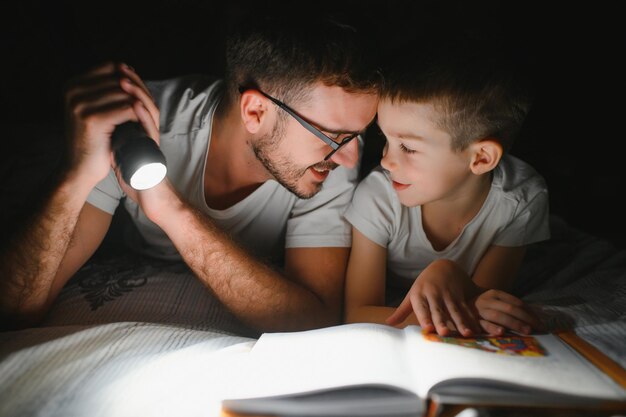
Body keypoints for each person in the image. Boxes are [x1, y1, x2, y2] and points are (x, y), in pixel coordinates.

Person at [0, 11, 380, 332]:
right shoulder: (142, 126)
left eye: (357, 136)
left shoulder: (332, 155)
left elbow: (311, 322)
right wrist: (75, 175)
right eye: (333, 137)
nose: (349, 158)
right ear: (255, 112)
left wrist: (172, 211)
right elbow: (15, 310)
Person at [343, 45, 549, 337]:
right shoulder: (377, 198)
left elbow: (488, 302)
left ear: (480, 158)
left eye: (409, 148)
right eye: (385, 138)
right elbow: (358, 313)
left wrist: (449, 274)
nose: (386, 161)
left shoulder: (520, 199)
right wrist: (461, 306)